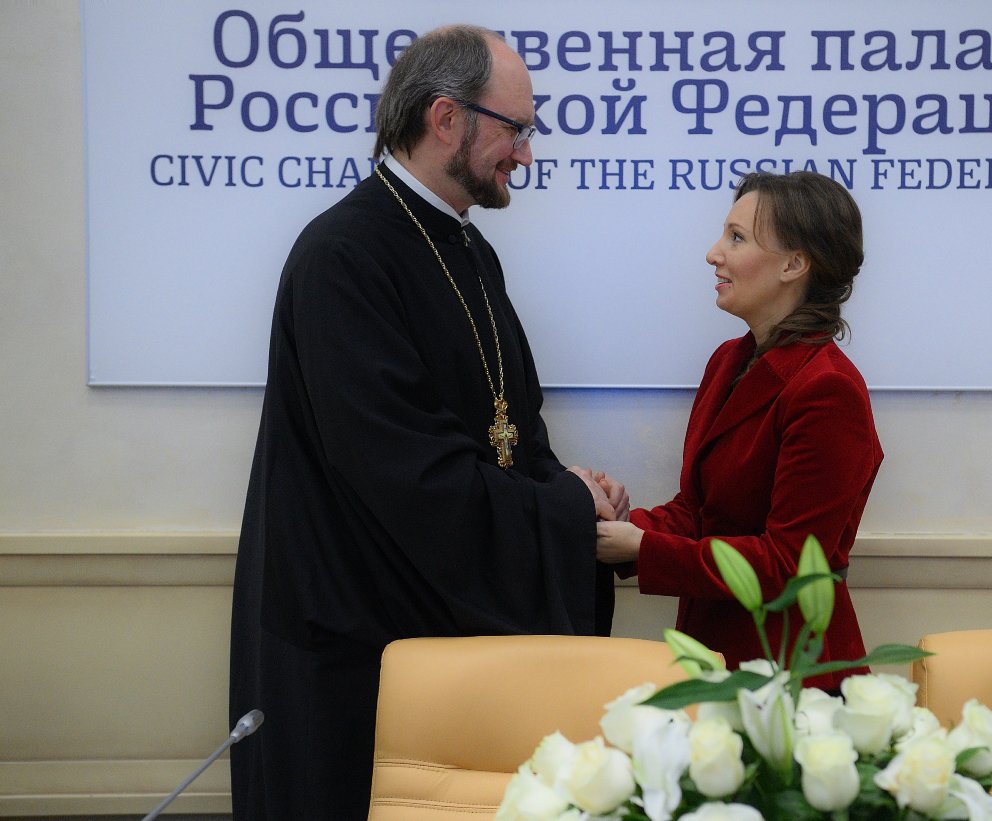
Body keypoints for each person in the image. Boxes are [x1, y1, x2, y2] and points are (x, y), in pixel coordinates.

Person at [229, 25, 625, 821]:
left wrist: (568, 488)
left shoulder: (470, 252)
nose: (526, 155)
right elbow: (404, 473)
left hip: (440, 652)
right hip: (357, 653)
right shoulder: (343, 256)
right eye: (515, 129)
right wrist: (562, 510)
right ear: (446, 118)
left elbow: (512, 427)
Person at [597, 171, 881, 693]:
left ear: (794, 265)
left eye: (736, 237)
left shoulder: (828, 389)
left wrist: (642, 548)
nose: (713, 254)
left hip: (790, 671)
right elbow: (699, 512)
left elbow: (787, 564)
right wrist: (616, 522)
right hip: (717, 653)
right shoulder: (728, 360)